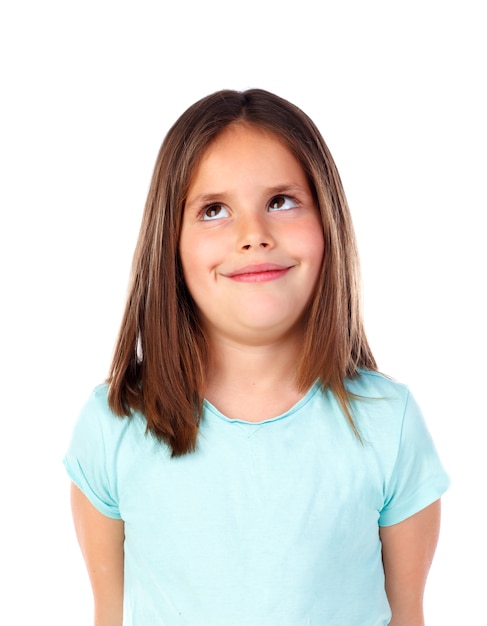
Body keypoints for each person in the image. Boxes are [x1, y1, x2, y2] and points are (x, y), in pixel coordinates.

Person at [64, 88, 449, 626]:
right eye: (214, 210)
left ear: (327, 223)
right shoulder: (115, 424)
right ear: (170, 244)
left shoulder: (390, 421)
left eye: (281, 201)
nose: (254, 236)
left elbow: (407, 617)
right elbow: (110, 617)